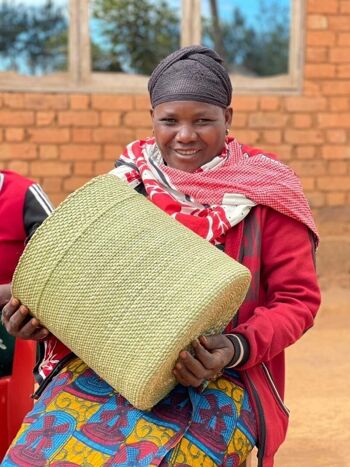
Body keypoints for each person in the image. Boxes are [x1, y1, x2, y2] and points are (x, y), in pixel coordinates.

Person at [1, 47, 320, 467]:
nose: (185, 135)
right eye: (169, 120)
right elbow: (85, 291)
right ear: (153, 117)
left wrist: (234, 347)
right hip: (107, 370)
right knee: (34, 457)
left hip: (223, 378)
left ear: (229, 117)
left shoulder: (268, 195)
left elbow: (297, 300)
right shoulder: (125, 189)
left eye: (203, 120)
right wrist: (42, 320)